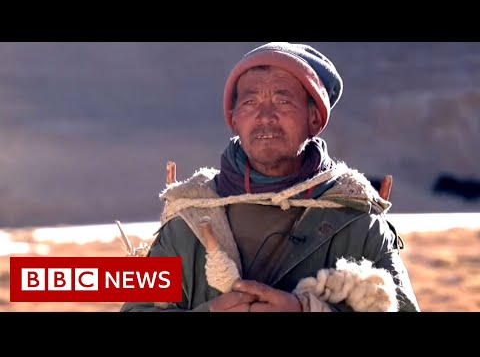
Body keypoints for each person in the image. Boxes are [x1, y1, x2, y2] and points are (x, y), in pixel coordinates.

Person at [120, 42, 421, 312]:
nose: (265, 115)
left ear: (314, 118)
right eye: (250, 102)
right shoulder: (188, 218)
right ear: (234, 119)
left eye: (283, 101)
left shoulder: (358, 224)